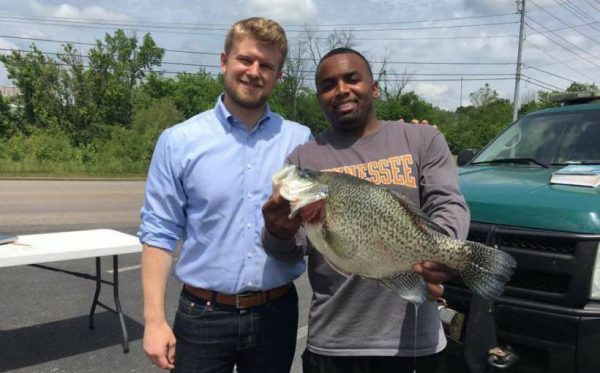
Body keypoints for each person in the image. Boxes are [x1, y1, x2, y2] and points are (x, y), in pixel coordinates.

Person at [262, 47, 470, 373]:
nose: (341, 89)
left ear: (374, 87)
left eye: (352, 79)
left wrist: (441, 246)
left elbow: (448, 202)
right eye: (328, 84)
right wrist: (277, 232)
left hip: (415, 343)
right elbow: (289, 251)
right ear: (319, 97)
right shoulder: (304, 161)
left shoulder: (422, 138)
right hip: (333, 344)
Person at [139, 17, 311, 373]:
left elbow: (346, 174)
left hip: (275, 312)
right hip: (203, 315)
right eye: (245, 59)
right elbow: (158, 232)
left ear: (278, 76)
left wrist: (406, 138)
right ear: (224, 61)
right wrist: (154, 321)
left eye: (266, 65)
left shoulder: (300, 140)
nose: (254, 71)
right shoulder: (179, 141)